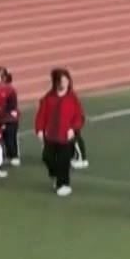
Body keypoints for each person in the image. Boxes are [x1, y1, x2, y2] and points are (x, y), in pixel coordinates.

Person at [33, 69, 85, 197]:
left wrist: (73, 129)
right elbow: (41, 115)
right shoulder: (48, 98)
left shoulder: (72, 98)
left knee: (64, 161)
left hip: (66, 137)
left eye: (66, 80)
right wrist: (39, 130)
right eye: (62, 81)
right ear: (55, 82)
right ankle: (55, 175)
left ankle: (64, 184)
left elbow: (79, 116)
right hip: (50, 135)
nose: (64, 83)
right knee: (47, 157)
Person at [0, 68, 23, 169]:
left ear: (3, 77)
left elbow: (12, 105)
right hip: (0, 118)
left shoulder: (10, 89)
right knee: (3, 138)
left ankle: (14, 156)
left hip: (10, 118)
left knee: (10, 138)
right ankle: (8, 155)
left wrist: (1, 110)